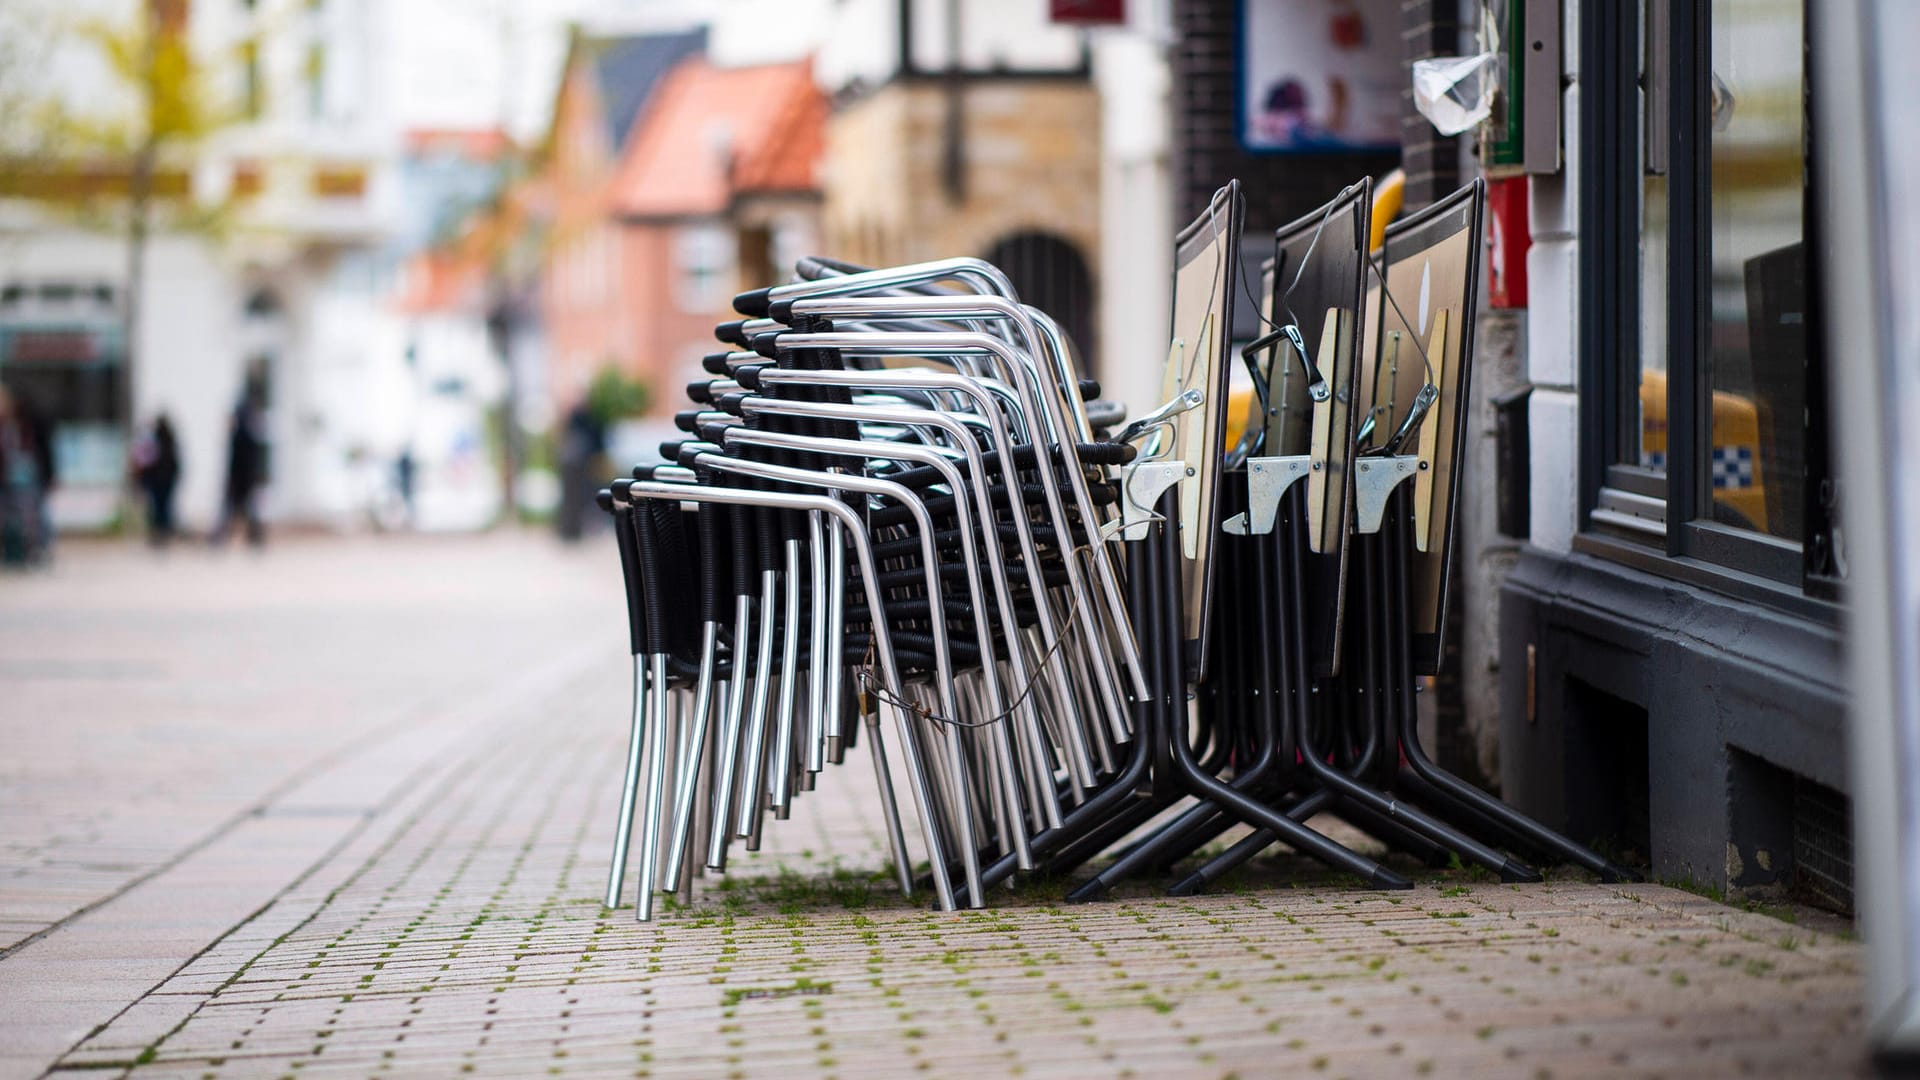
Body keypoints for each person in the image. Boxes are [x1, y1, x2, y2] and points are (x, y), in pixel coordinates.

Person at [211, 368, 269, 547]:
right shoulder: (248, 429)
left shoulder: (241, 433)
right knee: (241, 508)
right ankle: (249, 537)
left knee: (237, 507)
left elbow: (244, 455)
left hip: (242, 475)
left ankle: (227, 538)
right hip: (244, 475)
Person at [0, 385, 39, 567]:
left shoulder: (16, 424)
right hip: (11, 477)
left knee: (24, 517)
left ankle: (25, 552)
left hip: (17, 477)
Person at [132, 413, 182, 547]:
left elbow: (147, 462)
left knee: (157, 508)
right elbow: (175, 463)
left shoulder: (155, 440)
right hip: (166, 480)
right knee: (164, 508)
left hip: (157, 480)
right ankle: (164, 533)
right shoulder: (170, 440)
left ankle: (159, 533)